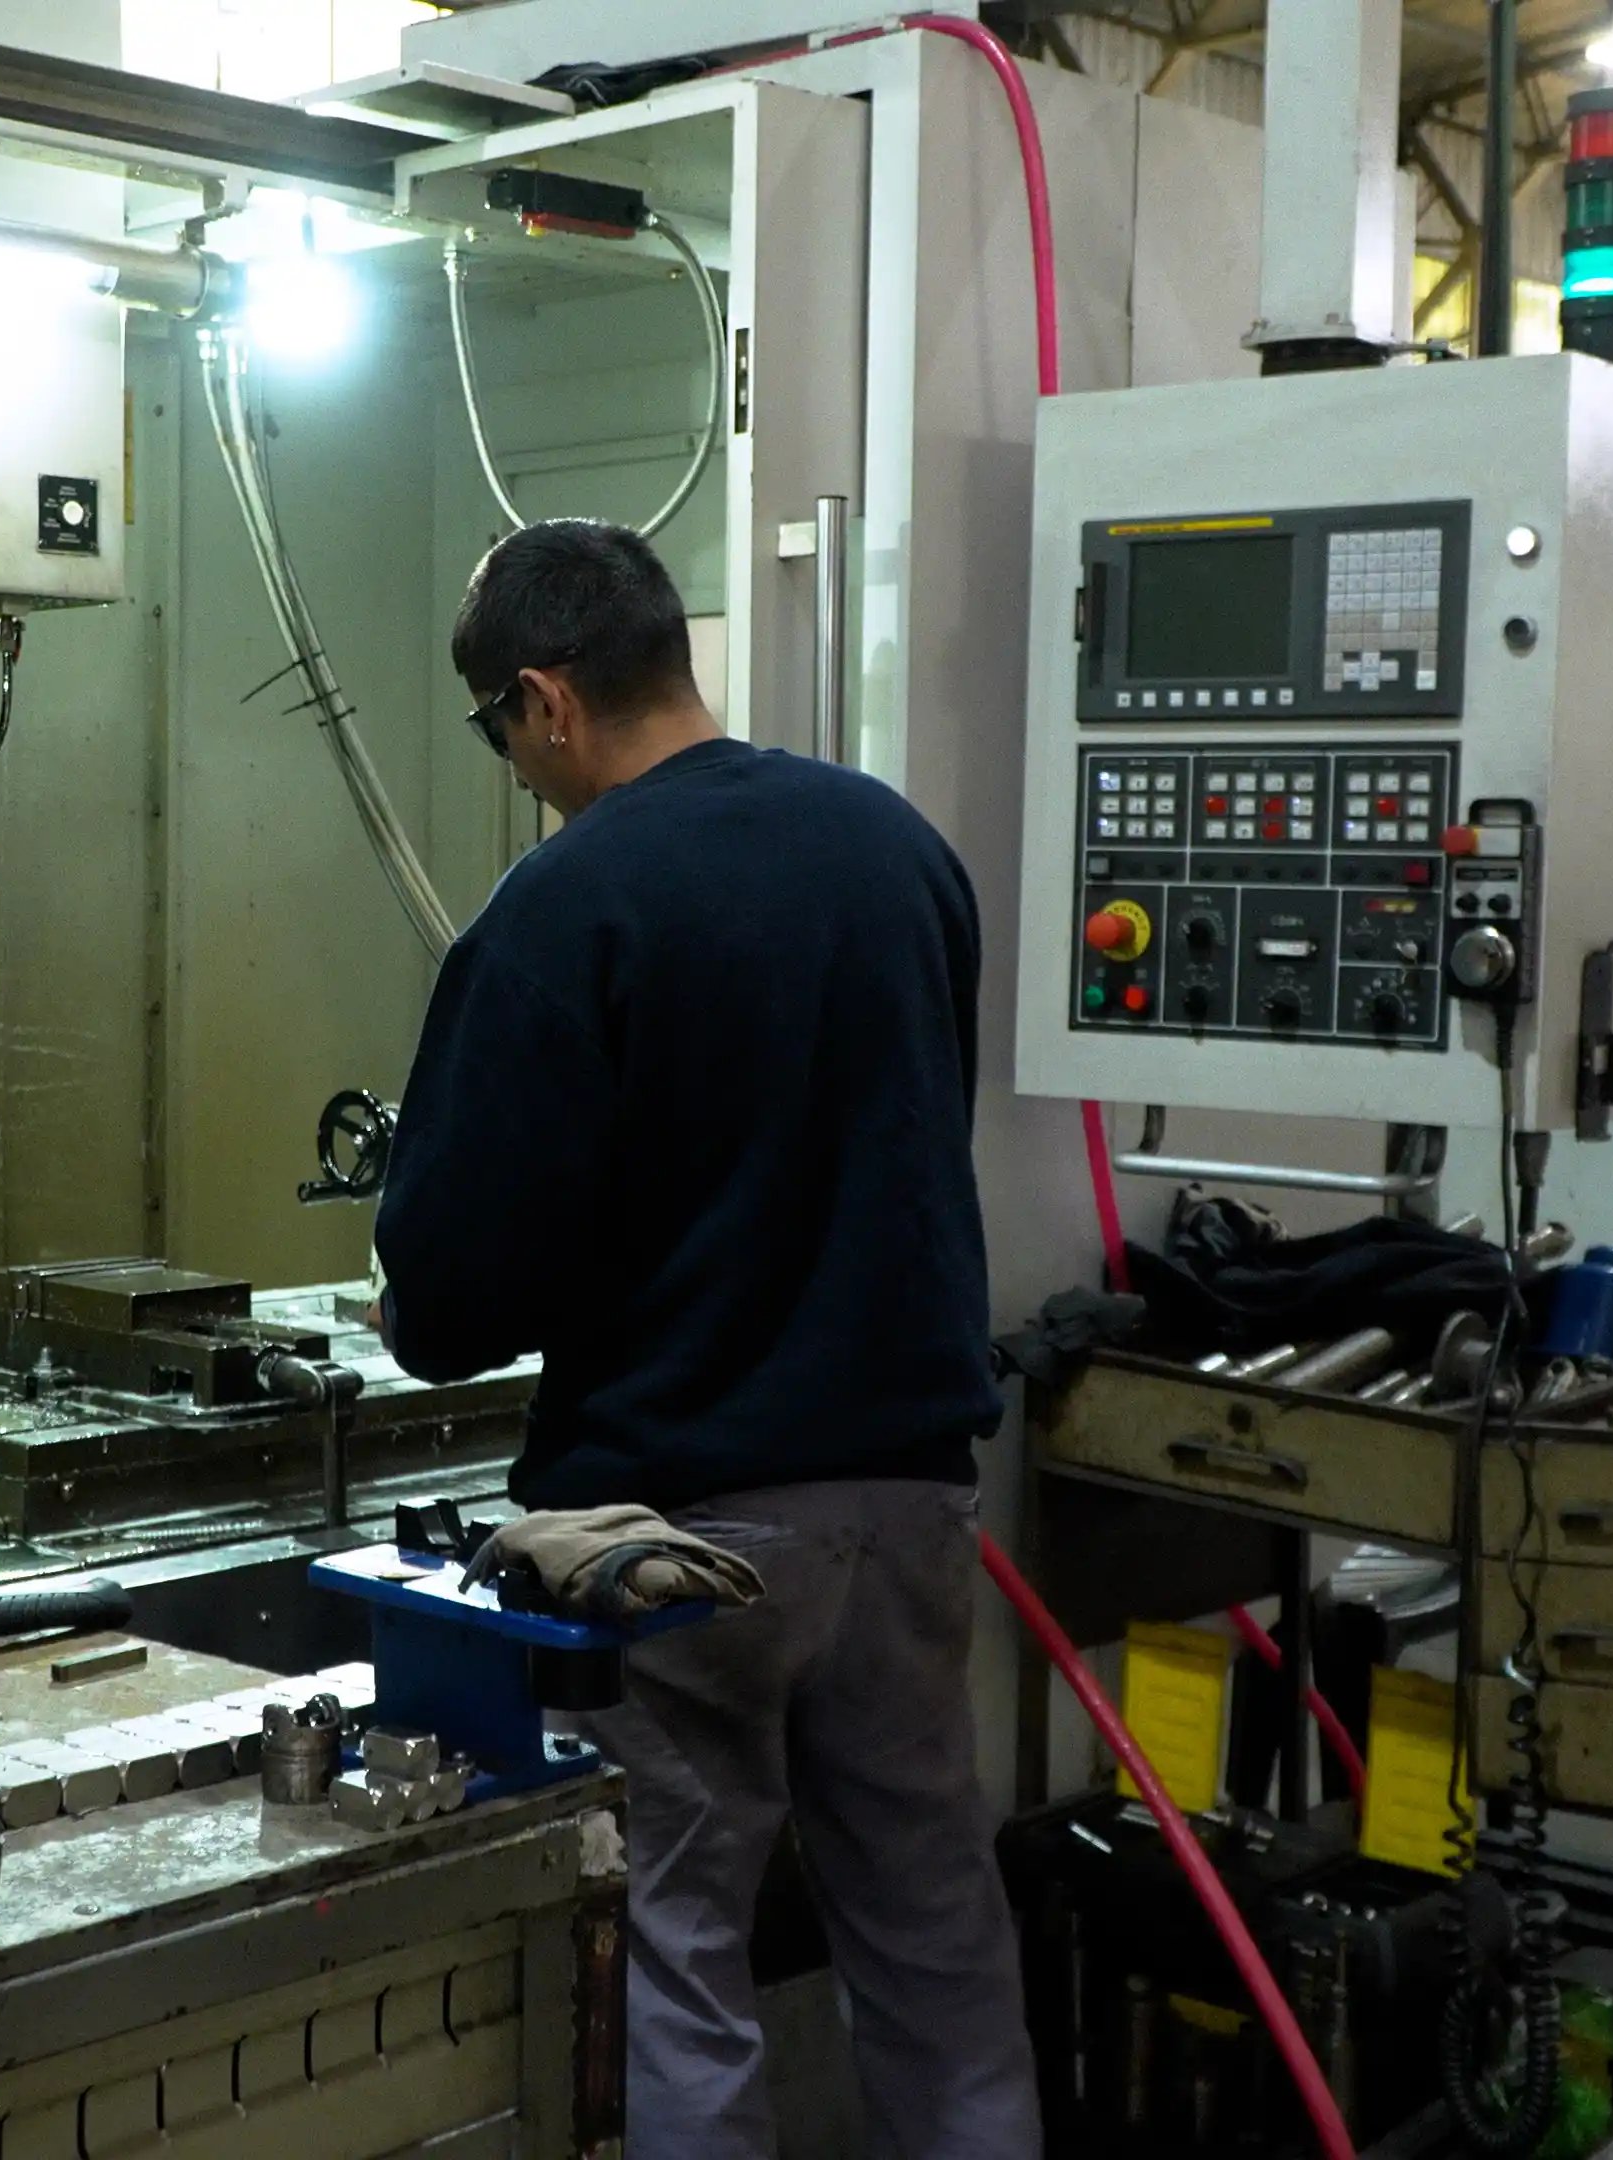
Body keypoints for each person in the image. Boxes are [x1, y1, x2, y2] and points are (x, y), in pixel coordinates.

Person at [373, 518, 1039, 2156]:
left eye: (498, 731)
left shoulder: (561, 906)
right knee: (935, 1938)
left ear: (542, 700)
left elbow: (448, 1306)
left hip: (680, 1542)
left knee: (676, 1964)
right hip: (905, 1509)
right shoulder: (898, 849)